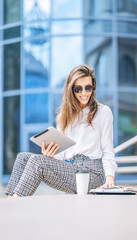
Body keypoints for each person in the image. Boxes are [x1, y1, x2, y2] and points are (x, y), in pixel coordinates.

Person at [5, 64, 117, 198]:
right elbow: (61, 156)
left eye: (88, 88)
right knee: (22, 158)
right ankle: (12, 200)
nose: (84, 93)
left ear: (93, 87)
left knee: (36, 161)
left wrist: (110, 178)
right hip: (71, 169)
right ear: (71, 90)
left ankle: (15, 205)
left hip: (91, 174)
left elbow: (108, 149)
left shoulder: (103, 112)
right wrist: (50, 155)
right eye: (78, 89)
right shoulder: (63, 117)